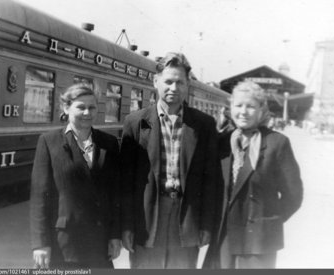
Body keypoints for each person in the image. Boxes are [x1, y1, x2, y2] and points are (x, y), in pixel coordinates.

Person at [120, 52, 218, 269]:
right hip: (147, 217)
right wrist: (126, 226)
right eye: (168, 81)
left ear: (187, 85)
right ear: (155, 81)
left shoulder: (204, 124)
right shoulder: (135, 122)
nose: (174, 88)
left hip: (187, 217)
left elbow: (211, 181)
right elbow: (125, 183)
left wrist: (206, 225)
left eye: (180, 82)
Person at [204, 80, 303, 269]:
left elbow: (294, 195)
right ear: (230, 108)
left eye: (250, 106)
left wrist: (268, 221)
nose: (243, 111)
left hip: (258, 242)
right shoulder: (222, 142)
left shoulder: (277, 143)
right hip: (223, 238)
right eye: (238, 105)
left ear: (261, 110)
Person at [30, 84, 121, 269]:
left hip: (99, 241)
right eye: (81, 107)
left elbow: (115, 195)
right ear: (66, 108)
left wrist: (115, 235)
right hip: (63, 243)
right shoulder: (49, 141)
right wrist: (40, 243)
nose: (87, 112)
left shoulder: (109, 143)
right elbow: (39, 197)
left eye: (92, 107)